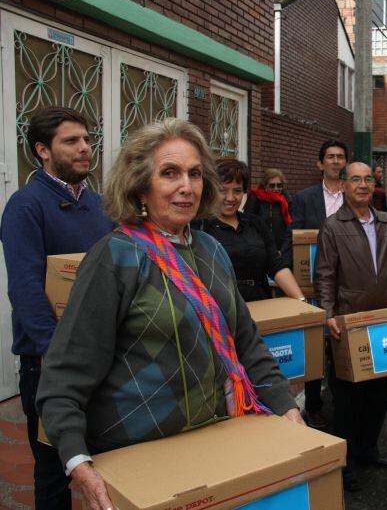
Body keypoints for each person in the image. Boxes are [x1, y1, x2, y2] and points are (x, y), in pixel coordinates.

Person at [35, 118, 302, 510]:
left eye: (195, 174)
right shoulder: (115, 257)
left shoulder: (211, 250)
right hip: (138, 455)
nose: (186, 186)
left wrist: (287, 408)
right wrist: (77, 461)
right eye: (170, 173)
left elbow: (247, 344)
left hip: (213, 441)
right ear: (141, 185)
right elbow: (64, 374)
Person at [0, 107, 113, 510]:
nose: (85, 148)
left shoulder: (100, 206)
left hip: (102, 354)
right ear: (42, 150)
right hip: (49, 361)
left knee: (103, 460)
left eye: (87, 139)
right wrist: (55, 354)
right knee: (53, 470)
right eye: (71, 141)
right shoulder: (25, 206)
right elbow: (26, 289)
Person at [314, 161, 387, 492]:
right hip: (349, 322)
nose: (363, 185)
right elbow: (324, 275)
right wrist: (327, 314)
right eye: (355, 179)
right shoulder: (332, 227)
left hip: (385, 321)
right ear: (343, 186)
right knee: (347, 399)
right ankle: (345, 462)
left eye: (367, 179)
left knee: (378, 393)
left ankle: (368, 450)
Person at [281, 139, 349, 429]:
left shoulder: (355, 194)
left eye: (340, 157)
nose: (335, 161)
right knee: (314, 346)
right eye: (330, 157)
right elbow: (294, 236)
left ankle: (342, 401)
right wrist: (284, 272)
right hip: (313, 284)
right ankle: (313, 405)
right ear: (320, 163)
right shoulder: (305, 198)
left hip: (347, 284)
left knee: (341, 342)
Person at [195, 159, 304, 302]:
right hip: (223, 308)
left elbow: (276, 265)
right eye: (223, 190)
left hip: (261, 303)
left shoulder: (256, 223)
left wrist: (301, 300)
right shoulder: (200, 227)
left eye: (237, 191)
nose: (230, 198)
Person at [244, 167, 293, 249]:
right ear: (265, 185)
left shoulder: (286, 200)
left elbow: (292, 224)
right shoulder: (255, 198)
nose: (276, 189)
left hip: (282, 247)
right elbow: (248, 223)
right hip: (260, 246)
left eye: (279, 185)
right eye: (272, 186)